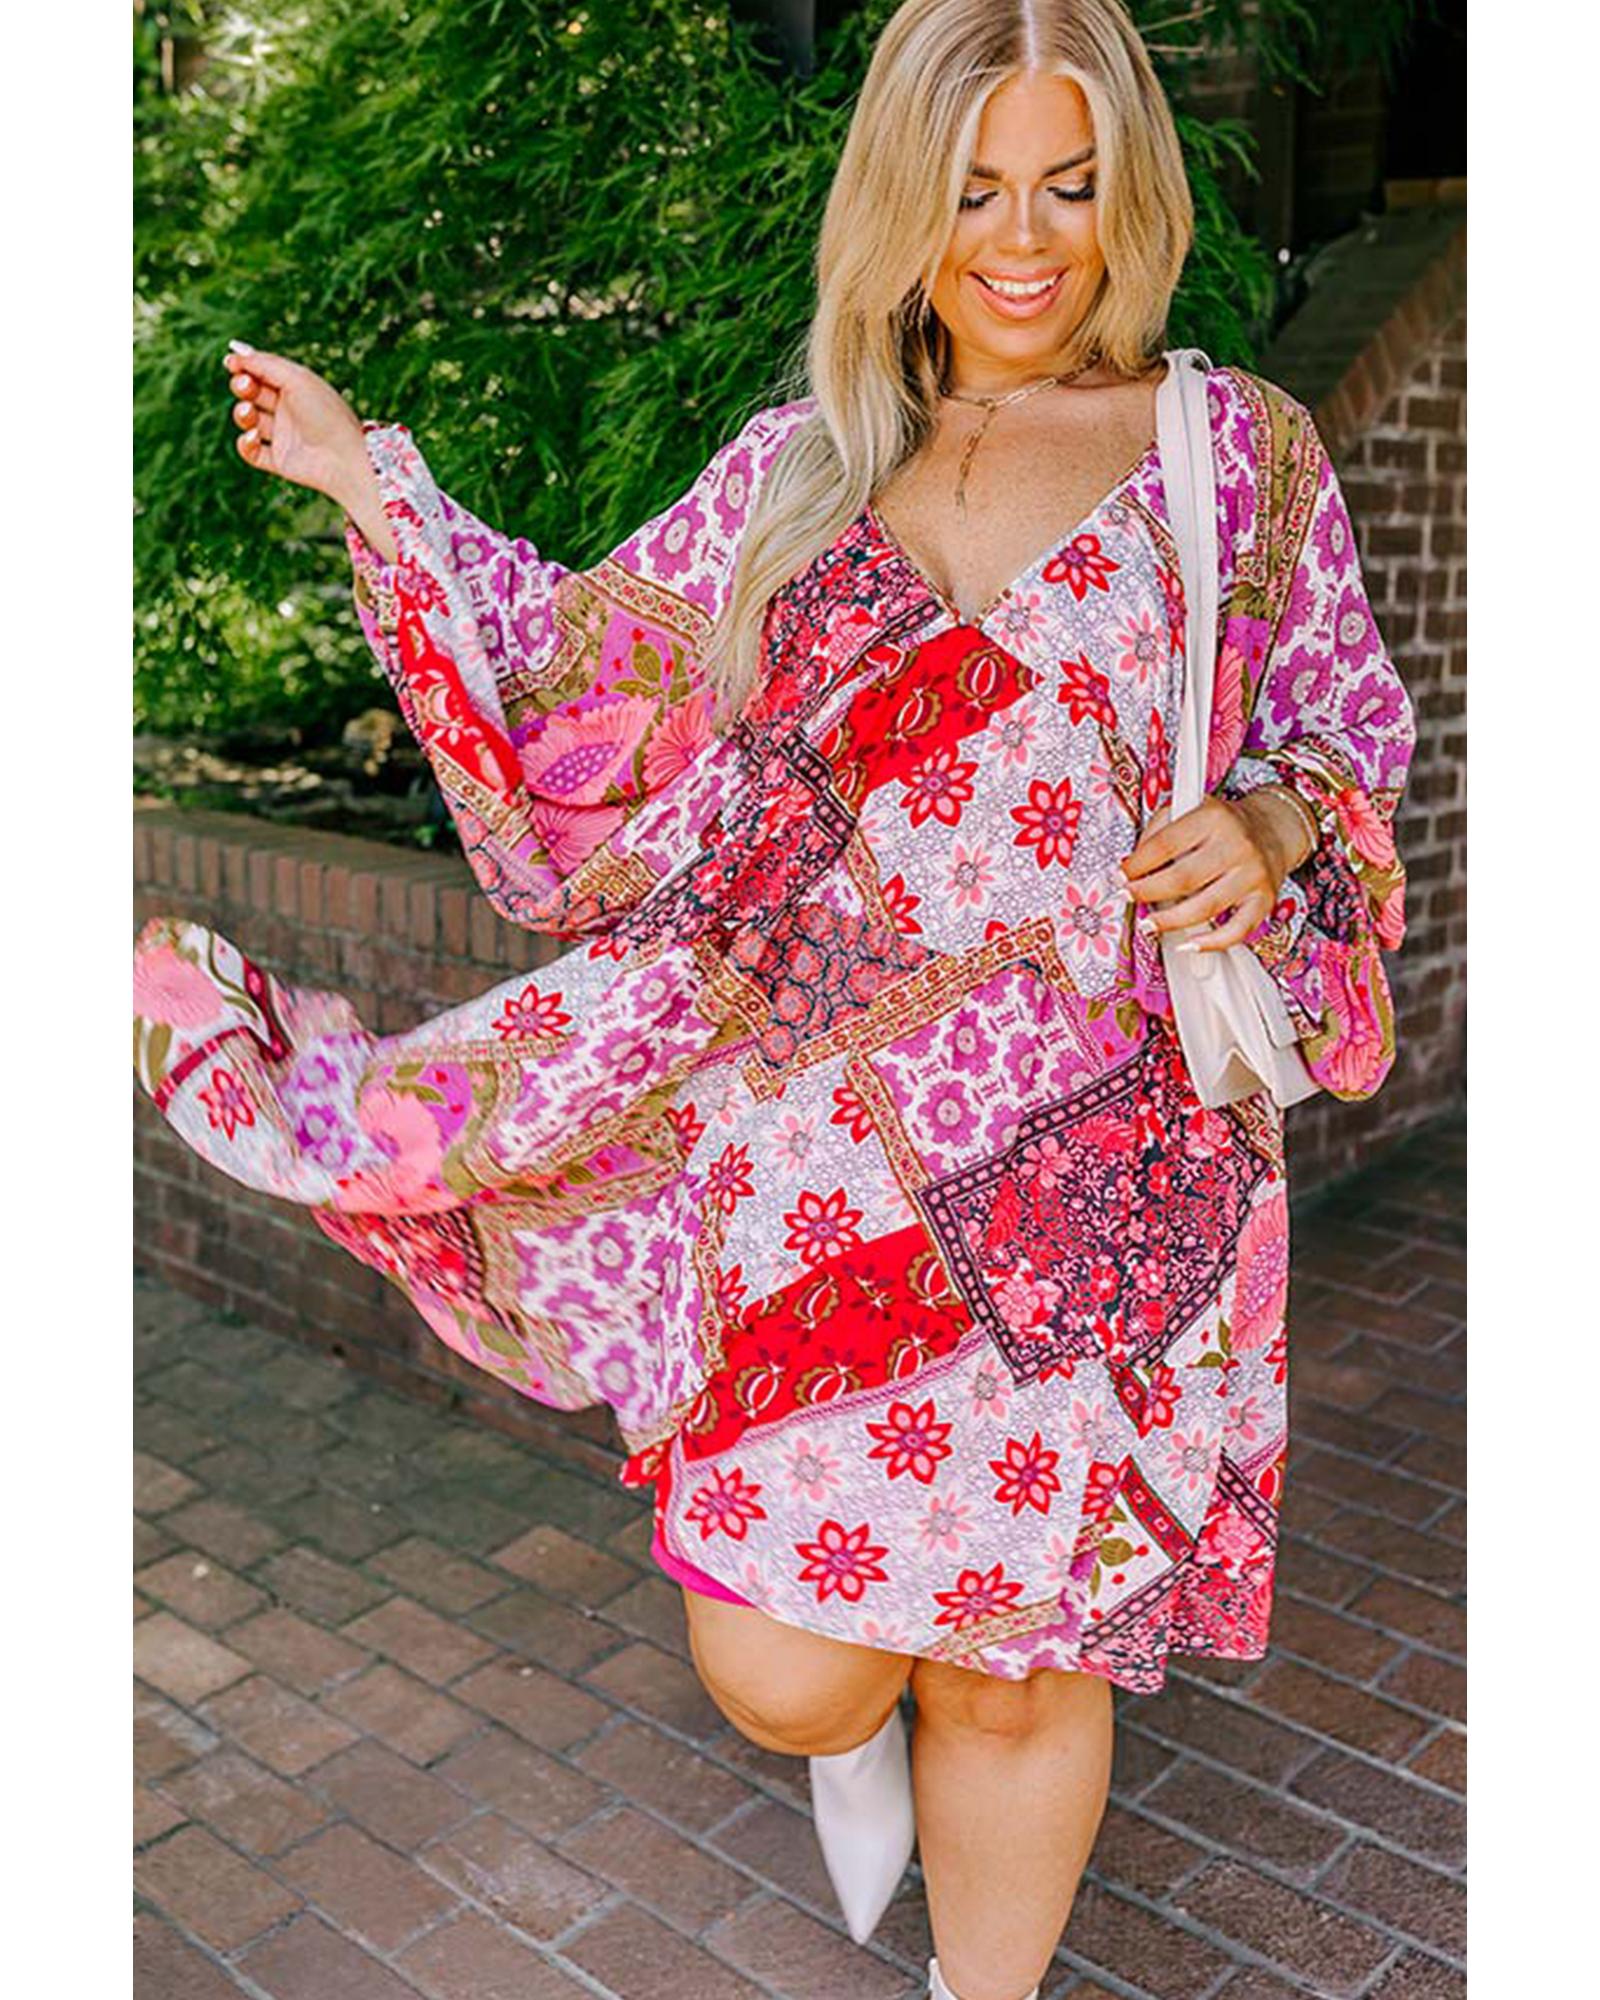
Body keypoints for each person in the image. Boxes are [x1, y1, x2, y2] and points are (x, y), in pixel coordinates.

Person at [132, 3, 1415, 1995]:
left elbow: (1346, 731)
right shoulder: (803, 469)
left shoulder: (1230, 451)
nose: (1023, 239)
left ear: (1131, 197)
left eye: (1068, 185)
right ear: (902, 202)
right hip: (811, 1156)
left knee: (1015, 1671)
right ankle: (851, 1733)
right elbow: (585, 683)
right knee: (788, 1667)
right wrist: (372, 486)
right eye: (972, 189)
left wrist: (1268, 819)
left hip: (1110, 1154)